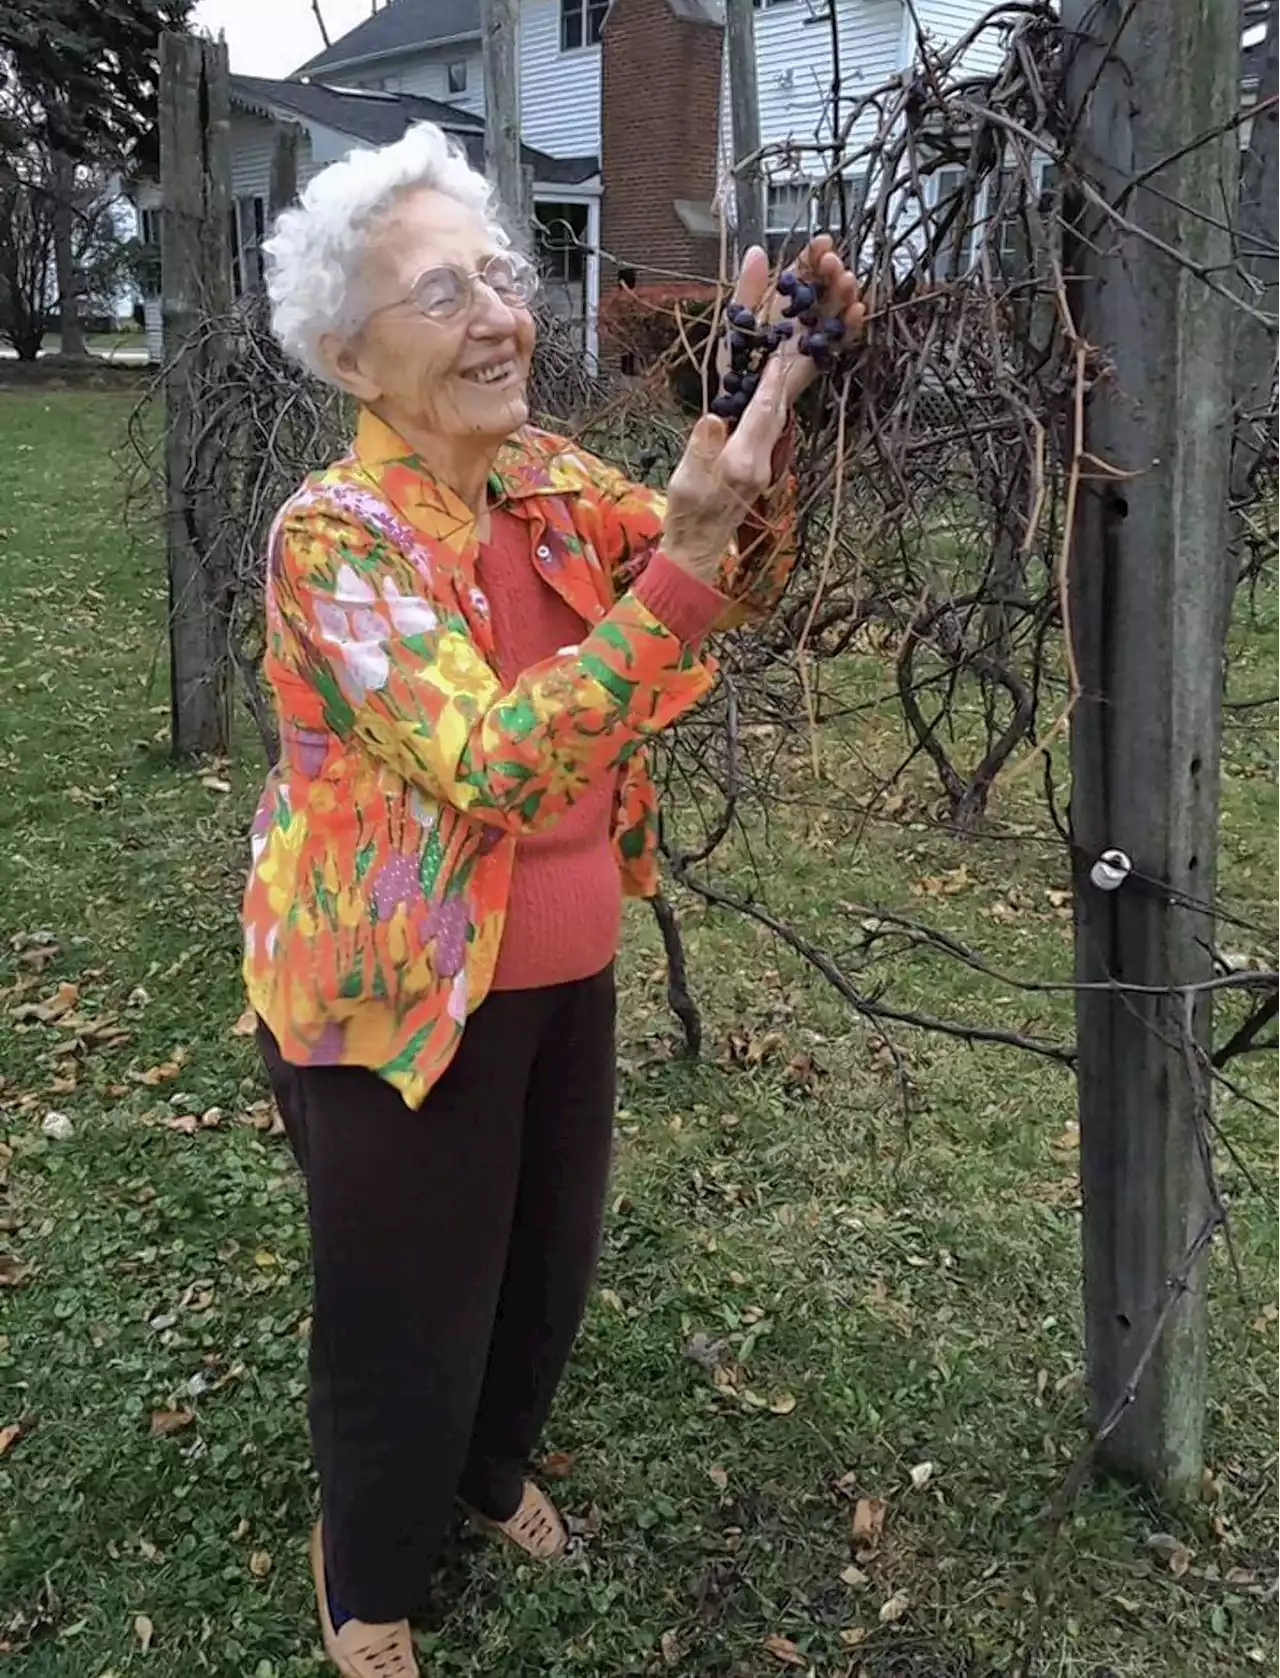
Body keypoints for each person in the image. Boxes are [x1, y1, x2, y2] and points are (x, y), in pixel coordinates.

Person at [241, 121, 864, 1678]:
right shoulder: (334, 542)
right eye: (440, 295)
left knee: (541, 1267)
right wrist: (693, 553)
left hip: (559, 969)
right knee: (406, 1311)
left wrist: (756, 409)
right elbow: (498, 763)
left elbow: (712, 559)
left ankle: (488, 1467)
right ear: (349, 354)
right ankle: (368, 1572)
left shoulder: (537, 479)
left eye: (499, 277)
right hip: (393, 993)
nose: (499, 315)